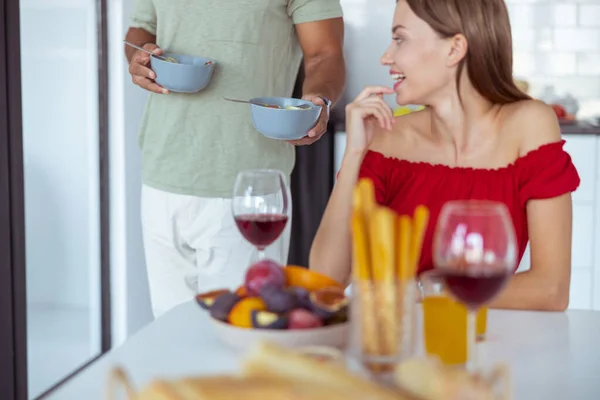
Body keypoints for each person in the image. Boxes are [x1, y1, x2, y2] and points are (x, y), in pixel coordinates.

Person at [310, 0, 580, 312]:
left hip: (491, 344)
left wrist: (425, 289)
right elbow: (326, 279)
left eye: (400, 39)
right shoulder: (384, 137)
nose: (386, 57)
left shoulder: (530, 124)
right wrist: (354, 152)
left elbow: (551, 289)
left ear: (454, 49)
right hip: (399, 345)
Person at [126, 0, 346, 318]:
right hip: (162, 172)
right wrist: (140, 57)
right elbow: (139, 28)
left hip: (249, 185)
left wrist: (318, 101)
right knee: (171, 335)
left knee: (243, 334)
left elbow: (325, 53)